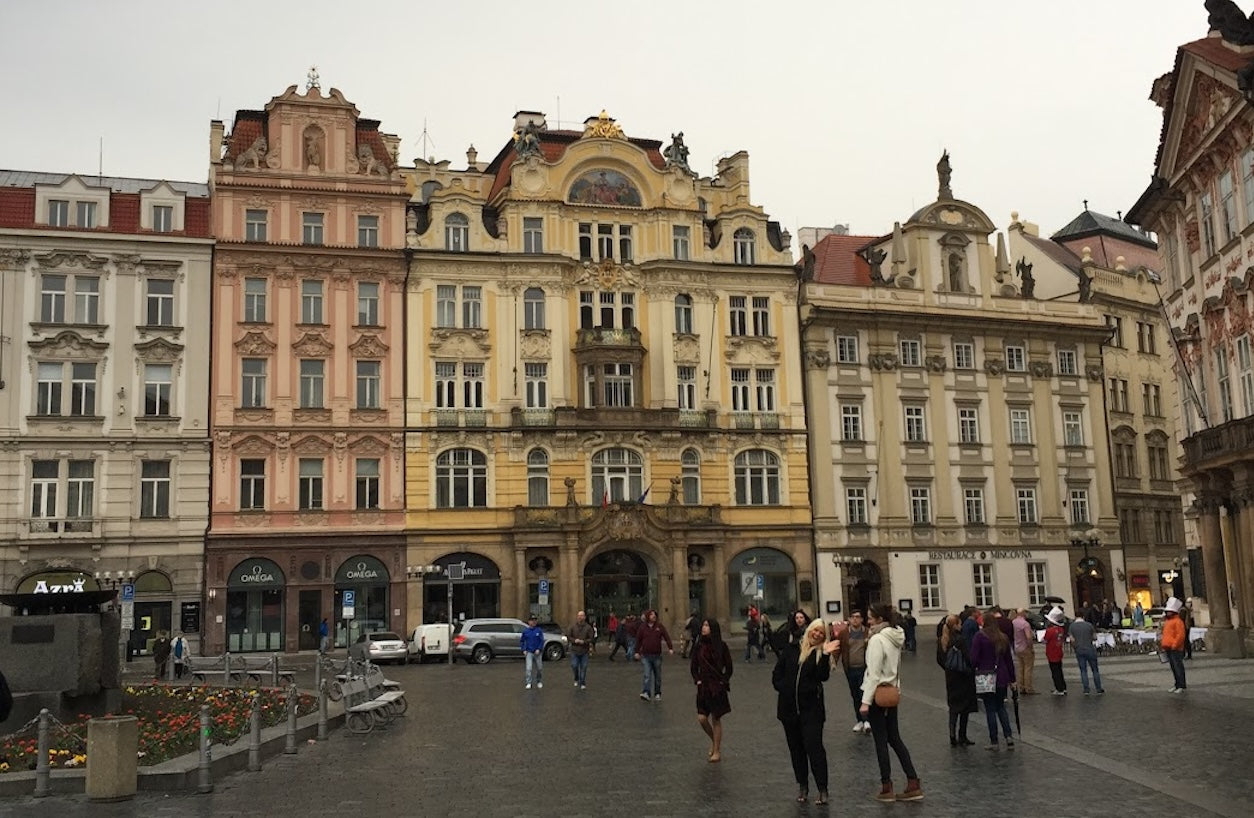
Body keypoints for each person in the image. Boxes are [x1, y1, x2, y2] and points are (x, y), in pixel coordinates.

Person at [773, 616, 839, 805]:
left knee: (814, 747)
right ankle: (802, 785)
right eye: (815, 630)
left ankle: (822, 788)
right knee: (796, 750)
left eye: (821, 633)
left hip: (812, 711)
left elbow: (823, 676)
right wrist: (783, 688)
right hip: (788, 710)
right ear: (809, 629)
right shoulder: (791, 649)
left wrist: (826, 655)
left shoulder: (820, 654)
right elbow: (777, 674)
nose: (817, 634)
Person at [860, 603, 923, 802]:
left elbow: (873, 673)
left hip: (879, 695)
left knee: (881, 741)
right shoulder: (895, 637)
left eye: (870, 618)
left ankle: (886, 787)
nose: (867, 621)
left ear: (879, 619)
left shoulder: (877, 639)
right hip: (892, 693)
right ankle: (912, 781)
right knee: (894, 738)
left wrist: (865, 702)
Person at [970, 610, 1016, 751]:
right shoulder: (1003, 637)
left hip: (986, 676)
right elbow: (1009, 661)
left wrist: (974, 669)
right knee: (1001, 707)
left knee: (990, 709)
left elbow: (973, 659)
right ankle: (1008, 737)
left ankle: (994, 741)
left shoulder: (980, 637)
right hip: (1002, 676)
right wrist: (1012, 679)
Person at [691, 617, 734, 762]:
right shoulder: (698, 646)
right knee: (702, 719)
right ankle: (714, 741)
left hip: (716, 688)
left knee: (716, 718)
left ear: (713, 629)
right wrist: (697, 680)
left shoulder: (721, 646)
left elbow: (729, 667)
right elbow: (693, 666)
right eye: (703, 625)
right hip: (703, 687)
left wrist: (723, 681)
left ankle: (716, 751)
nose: (704, 628)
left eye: (707, 626)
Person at [937, 614, 976, 746]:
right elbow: (967, 657)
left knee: (953, 707)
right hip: (963, 677)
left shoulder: (943, 640)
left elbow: (939, 659)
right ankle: (962, 735)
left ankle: (952, 734)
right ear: (956, 625)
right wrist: (970, 669)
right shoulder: (960, 640)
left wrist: (948, 668)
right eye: (959, 624)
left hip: (950, 678)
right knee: (964, 708)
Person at [838, 610, 870, 734]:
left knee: (864, 695)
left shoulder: (867, 632)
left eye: (858, 617)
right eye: (853, 617)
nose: (855, 619)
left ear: (862, 619)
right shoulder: (844, 633)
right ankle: (860, 720)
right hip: (850, 668)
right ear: (849, 619)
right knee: (855, 695)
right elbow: (838, 648)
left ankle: (867, 720)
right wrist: (834, 661)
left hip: (864, 668)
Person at [634, 609, 674, 701]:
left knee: (658, 676)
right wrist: (636, 652)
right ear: (648, 616)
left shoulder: (659, 626)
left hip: (657, 655)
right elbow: (638, 640)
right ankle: (646, 692)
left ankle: (657, 693)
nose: (654, 616)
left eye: (655, 614)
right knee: (647, 675)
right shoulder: (642, 627)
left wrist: (670, 648)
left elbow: (666, 636)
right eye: (651, 614)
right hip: (646, 655)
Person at [1069, 610, 1104, 695]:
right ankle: (1098, 688)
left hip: (1079, 649)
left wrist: (1075, 646)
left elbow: (1072, 639)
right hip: (1090, 649)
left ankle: (1086, 689)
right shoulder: (1089, 625)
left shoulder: (1072, 626)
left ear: (1075, 616)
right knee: (1095, 670)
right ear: (1083, 616)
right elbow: (1095, 637)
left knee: (1083, 670)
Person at [1161, 597, 1188, 692]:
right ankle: (1177, 684)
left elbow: (1180, 635)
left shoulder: (1178, 621)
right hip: (1169, 647)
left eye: (1169, 611)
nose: (1167, 613)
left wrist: (1175, 645)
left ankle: (1181, 685)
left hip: (1175, 648)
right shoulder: (1168, 621)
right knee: (1174, 667)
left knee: (1178, 667)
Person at [567, 610, 595, 689]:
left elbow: (592, 638)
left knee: (584, 667)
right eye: (579, 616)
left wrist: (584, 641)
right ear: (577, 617)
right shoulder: (572, 626)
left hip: (584, 650)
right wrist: (574, 640)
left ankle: (582, 682)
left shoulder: (588, 627)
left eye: (582, 616)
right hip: (574, 650)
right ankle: (576, 677)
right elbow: (568, 636)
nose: (580, 617)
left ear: (585, 617)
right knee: (574, 665)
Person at [1011, 608, 1036, 695]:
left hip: (1017, 647)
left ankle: (1021, 687)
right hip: (1025, 647)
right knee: (1028, 668)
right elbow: (1028, 637)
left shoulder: (1013, 622)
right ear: (1023, 613)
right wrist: (1031, 647)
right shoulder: (1025, 624)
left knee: (1020, 668)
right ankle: (1028, 687)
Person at [1044, 607, 1068, 696]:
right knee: (1060, 671)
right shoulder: (1060, 629)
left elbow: (1045, 640)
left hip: (1051, 652)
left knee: (1055, 672)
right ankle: (1063, 687)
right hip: (1058, 651)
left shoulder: (1049, 631)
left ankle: (1059, 688)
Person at [520, 614, 545, 690]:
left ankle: (539, 681)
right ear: (529, 622)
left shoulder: (539, 630)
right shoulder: (526, 631)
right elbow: (522, 641)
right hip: (529, 652)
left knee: (539, 668)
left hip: (537, 652)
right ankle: (528, 682)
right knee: (529, 668)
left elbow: (541, 641)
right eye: (532, 620)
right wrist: (524, 649)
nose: (533, 622)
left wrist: (539, 648)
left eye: (535, 620)